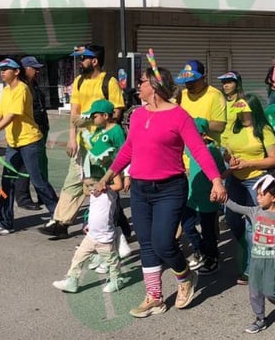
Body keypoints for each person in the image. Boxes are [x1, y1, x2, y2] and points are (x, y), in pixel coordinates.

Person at [95, 65, 227, 318]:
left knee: (164, 242)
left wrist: (217, 181)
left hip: (170, 188)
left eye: (142, 81)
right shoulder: (136, 115)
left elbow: (199, 149)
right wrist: (108, 176)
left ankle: (186, 276)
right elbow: (128, 149)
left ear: (154, 87)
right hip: (140, 188)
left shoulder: (179, 116)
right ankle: (154, 297)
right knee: (146, 244)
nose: (138, 87)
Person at [0, 59, 58, 235]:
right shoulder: (7, 90)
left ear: (16, 72)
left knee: (38, 180)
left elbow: (11, 117)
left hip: (30, 141)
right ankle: (5, 223)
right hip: (14, 144)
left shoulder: (22, 89)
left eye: (6, 69)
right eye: (0, 70)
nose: (2, 72)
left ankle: (58, 216)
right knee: (7, 183)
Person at [42, 45, 124, 238]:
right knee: (73, 181)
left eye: (84, 58)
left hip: (102, 143)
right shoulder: (79, 81)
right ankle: (61, 222)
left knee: (100, 184)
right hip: (82, 141)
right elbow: (75, 112)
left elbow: (117, 111)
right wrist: (72, 138)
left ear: (94, 61)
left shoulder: (109, 82)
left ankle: (117, 228)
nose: (80, 62)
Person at [52, 99, 127, 294]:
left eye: (95, 115)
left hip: (104, 235)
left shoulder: (116, 134)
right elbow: (87, 187)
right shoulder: (96, 168)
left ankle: (115, 279)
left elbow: (119, 172)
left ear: (106, 115)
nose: (92, 118)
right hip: (92, 233)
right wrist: (91, 184)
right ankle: (72, 280)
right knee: (78, 257)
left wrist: (107, 183)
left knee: (111, 260)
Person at [222, 94, 275, 283]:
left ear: (253, 110)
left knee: (252, 225)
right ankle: (249, 249)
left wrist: (248, 163)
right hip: (235, 179)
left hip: (256, 180)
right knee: (230, 217)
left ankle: (250, 269)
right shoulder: (234, 128)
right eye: (239, 112)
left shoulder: (263, 130)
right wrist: (229, 158)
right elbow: (228, 151)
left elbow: (274, 159)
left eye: (244, 112)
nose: (241, 116)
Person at [225, 174, 275, 333]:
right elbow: (236, 207)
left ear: (274, 197)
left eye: (262, 195)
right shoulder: (254, 211)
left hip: (272, 260)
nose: (258, 198)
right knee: (254, 291)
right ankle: (260, 318)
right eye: (258, 194)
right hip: (256, 258)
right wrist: (223, 199)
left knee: (271, 291)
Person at [180, 118, 225, 275]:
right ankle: (202, 250)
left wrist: (217, 186)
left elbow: (221, 172)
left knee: (208, 231)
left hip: (208, 198)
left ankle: (212, 258)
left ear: (204, 135)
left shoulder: (213, 150)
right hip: (192, 197)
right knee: (186, 225)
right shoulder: (189, 148)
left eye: (194, 134)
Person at [14, 55, 49, 211]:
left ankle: (43, 195)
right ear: (25, 69)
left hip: (40, 130)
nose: (37, 72)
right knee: (26, 167)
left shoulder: (33, 85)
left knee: (41, 164)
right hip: (28, 132)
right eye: (34, 69)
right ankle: (23, 198)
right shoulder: (21, 87)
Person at [177, 59, 227, 144]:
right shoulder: (182, 95)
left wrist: (198, 123)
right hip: (185, 149)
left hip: (207, 148)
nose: (189, 84)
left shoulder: (215, 95)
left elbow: (220, 126)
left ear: (203, 78)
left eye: (193, 81)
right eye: (186, 81)